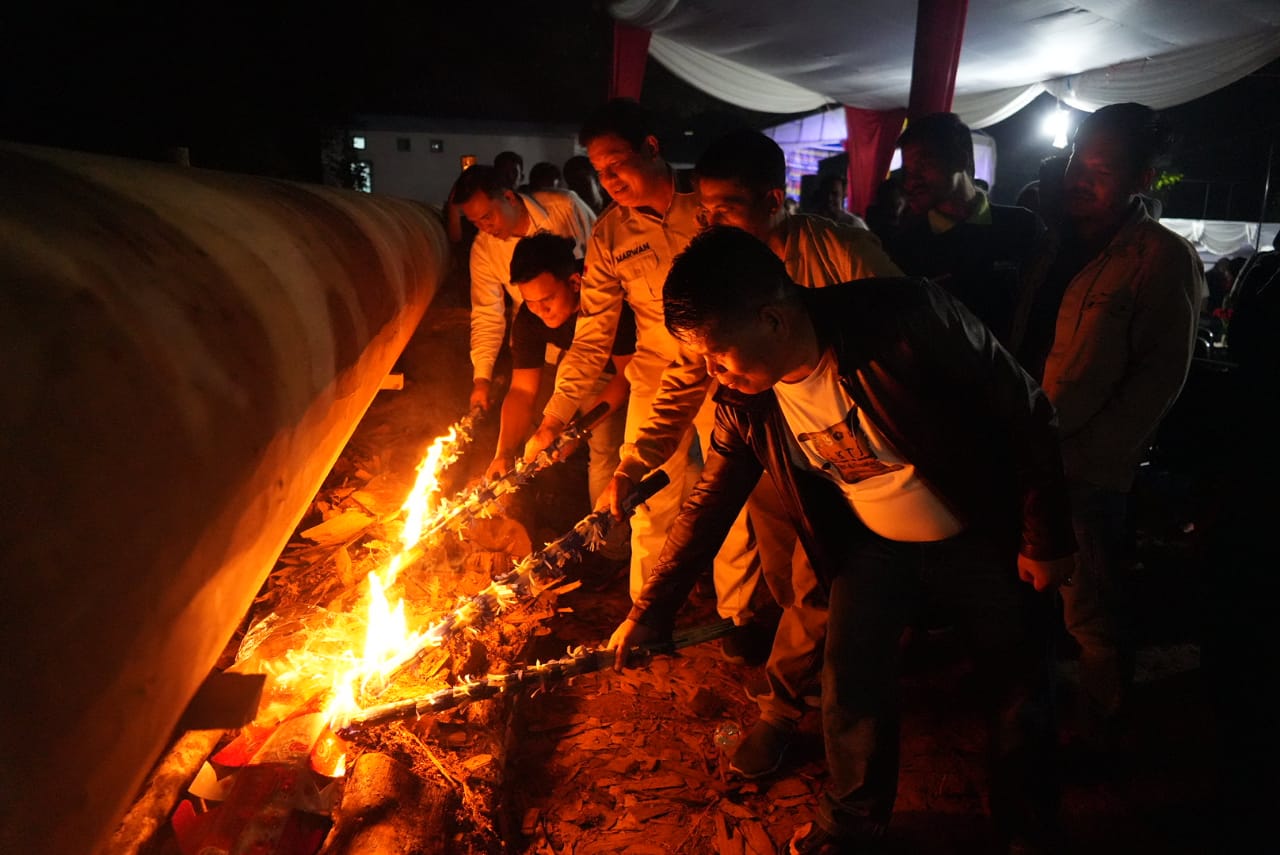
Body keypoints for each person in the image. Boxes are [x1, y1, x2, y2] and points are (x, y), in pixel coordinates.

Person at [609, 226, 1076, 855]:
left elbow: (1026, 413)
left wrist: (1043, 536)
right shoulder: (749, 402)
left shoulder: (906, 320)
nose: (714, 374)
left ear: (773, 319)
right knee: (849, 682)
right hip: (873, 546)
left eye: (718, 355)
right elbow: (710, 500)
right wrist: (649, 610)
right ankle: (854, 822)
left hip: (978, 531)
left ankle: (1027, 825)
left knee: (1017, 682)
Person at [598, 127, 902, 779]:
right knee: (786, 573)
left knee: (822, 583)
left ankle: (787, 713)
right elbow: (686, 374)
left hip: (851, 455)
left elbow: (902, 339)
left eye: (726, 208)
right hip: (769, 453)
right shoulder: (717, 272)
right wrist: (637, 459)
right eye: (703, 210)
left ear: (774, 199)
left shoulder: (843, 254)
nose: (709, 222)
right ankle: (816, 679)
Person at [1009, 102, 1206, 749]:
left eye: (1101, 166)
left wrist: (1094, 461)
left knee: (1089, 603)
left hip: (1084, 467)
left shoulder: (1159, 258)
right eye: (1076, 161)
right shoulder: (1055, 244)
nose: (1080, 176)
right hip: (1026, 450)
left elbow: (1158, 379)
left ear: (1142, 179)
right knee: (1031, 593)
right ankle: (1037, 706)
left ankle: (1102, 718)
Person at [486, 232, 632, 516]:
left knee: (604, 449)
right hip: (578, 371)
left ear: (575, 283)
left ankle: (607, 544)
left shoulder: (611, 300)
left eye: (548, 299)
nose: (540, 311)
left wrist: (580, 431)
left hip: (626, 369)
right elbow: (522, 391)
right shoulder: (530, 318)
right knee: (543, 427)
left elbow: (626, 378)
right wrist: (502, 452)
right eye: (529, 301)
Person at [886, 112, 1044, 345]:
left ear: (960, 159)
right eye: (908, 170)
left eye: (924, 163)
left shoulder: (1020, 226)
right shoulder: (905, 246)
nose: (912, 181)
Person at [450, 164, 596, 414]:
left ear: (508, 197)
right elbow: (487, 315)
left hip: (594, 342)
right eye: (475, 223)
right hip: (543, 351)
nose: (485, 228)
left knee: (600, 434)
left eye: (487, 217)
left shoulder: (565, 208)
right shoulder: (484, 250)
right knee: (540, 425)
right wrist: (481, 379)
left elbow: (604, 259)